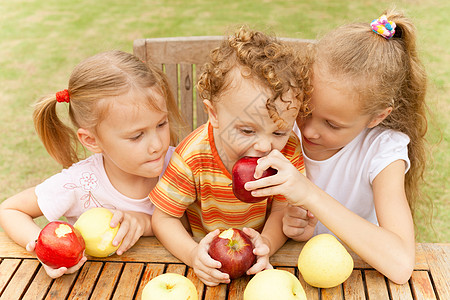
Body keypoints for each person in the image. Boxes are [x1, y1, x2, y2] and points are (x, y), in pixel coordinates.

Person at [245, 9, 428, 284]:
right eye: (306, 109)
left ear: (377, 117)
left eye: (332, 124)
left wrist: (310, 195)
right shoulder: (281, 127)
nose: (307, 129)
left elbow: (401, 264)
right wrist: (291, 228)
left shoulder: (382, 152)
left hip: (356, 278)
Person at [149, 26, 312, 286]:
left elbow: (283, 207)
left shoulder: (287, 151)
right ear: (213, 114)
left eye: (279, 131)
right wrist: (193, 255)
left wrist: (266, 243)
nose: (264, 146)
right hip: (208, 266)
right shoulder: (193, 156)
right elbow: (164, 217)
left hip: (259, 266)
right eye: (247, 130)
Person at [0, 50, 185, 278]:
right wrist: (44, 248)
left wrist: (144, 223)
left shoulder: (180, 166)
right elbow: (10, 209)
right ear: (92, 140)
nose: (157, 144)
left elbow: (193, 223)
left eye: (161, 124)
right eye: (137, 136)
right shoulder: (81, 183)